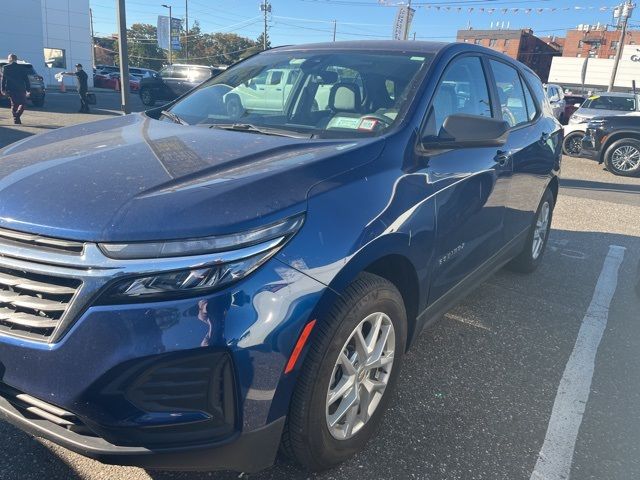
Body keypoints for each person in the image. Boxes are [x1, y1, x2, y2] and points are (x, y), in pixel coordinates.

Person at [1, 53, 30, 124]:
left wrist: (3, 89)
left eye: (8, 58)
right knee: (23, 103)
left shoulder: (6, 67)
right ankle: (17, 117)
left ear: (10, 59)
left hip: (11, 89)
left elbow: (3, 79)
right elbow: (26, 79)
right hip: (21, 88)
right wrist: (28, 89)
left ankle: (16, 117)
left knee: (14, 104)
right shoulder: (22, 67)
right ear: (16, 59)